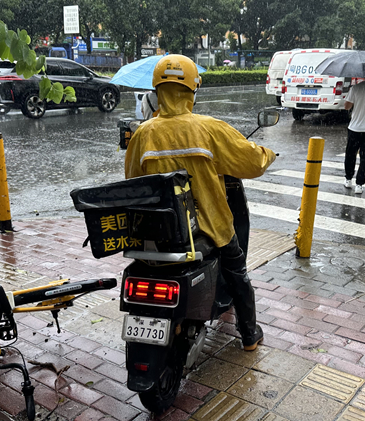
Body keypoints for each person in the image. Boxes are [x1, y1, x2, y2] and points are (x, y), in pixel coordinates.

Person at [125, 55, 276, 351]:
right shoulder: (209, 128)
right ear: (193, 90)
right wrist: (267, 154)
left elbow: (132, 180)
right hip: (208, 227)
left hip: (157, 230)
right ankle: (248, 335)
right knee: (236, 269)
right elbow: (252, 162)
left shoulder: (143, 133)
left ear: (157, 91)